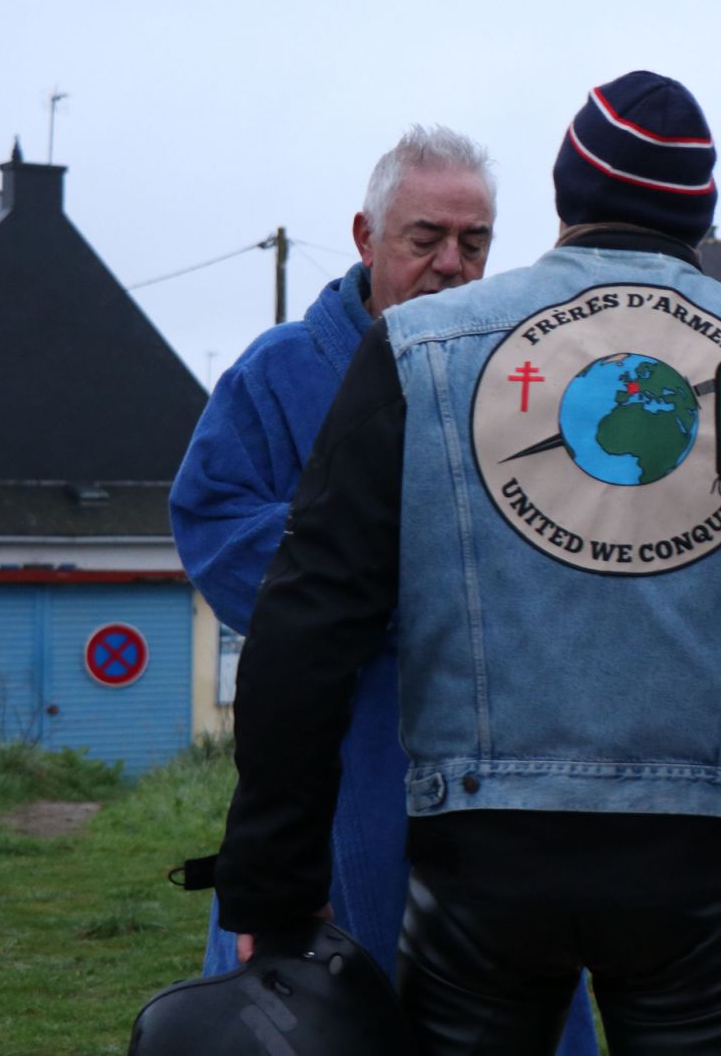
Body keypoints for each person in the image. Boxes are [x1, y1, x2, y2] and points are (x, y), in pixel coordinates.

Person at [211, 71, 721, 1053]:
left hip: (479, 856)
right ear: (702, 218)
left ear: (563, 198)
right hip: (705, 857)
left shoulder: (418, 350)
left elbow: (303, 626)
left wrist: (271, 887)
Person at [169, 124, 598, 1054]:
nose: (451, 263)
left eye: (474, 241)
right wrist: (390, 593)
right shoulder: (279, 372)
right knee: (320, 1018)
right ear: (366, 237)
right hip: (339, 753)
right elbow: (213, 520)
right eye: (425, 237)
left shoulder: (523, 375)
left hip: (498, 770)